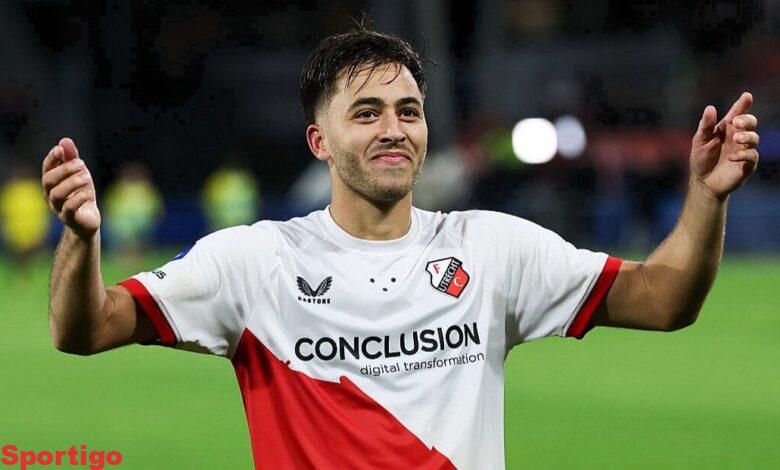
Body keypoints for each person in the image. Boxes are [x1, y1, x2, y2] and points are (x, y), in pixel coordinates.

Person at [42, 26, 760, 469]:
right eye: (367, 113)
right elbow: (85, 328)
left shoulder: (490, 249)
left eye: (408, 111)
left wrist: (707, 194)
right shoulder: (255, 263)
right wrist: (81, 236)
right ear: (320, 142)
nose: (394, 129)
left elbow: (663, 299)